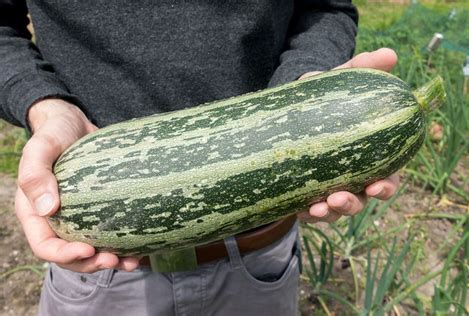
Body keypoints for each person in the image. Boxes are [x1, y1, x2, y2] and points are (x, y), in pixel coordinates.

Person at [0, 1, 400, 315]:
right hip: (103, 262)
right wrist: (46, 107)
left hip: (259, 254)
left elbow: (325, 8)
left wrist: (305, 94)